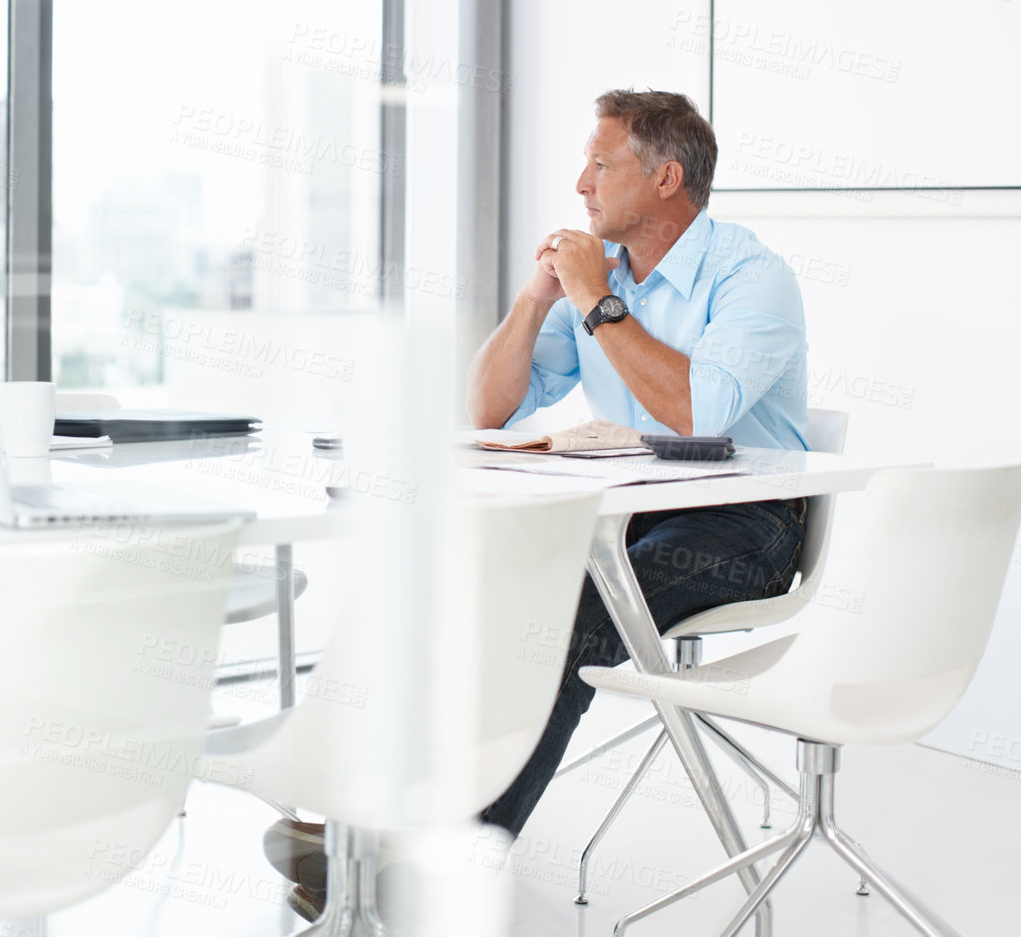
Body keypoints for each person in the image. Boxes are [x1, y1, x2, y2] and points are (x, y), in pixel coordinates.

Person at [264, 88, 811, 917]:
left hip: (749, 525)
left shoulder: (751, 275)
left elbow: (700, 411)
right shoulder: (606, 274)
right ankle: (362, 826)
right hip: (621, 519)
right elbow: (484, 411)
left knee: (559, 619)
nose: (581, 182)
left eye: (602, 161)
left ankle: (427, 869)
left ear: (667, 179)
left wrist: (597, 301)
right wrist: (534, 301)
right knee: (459, 590)